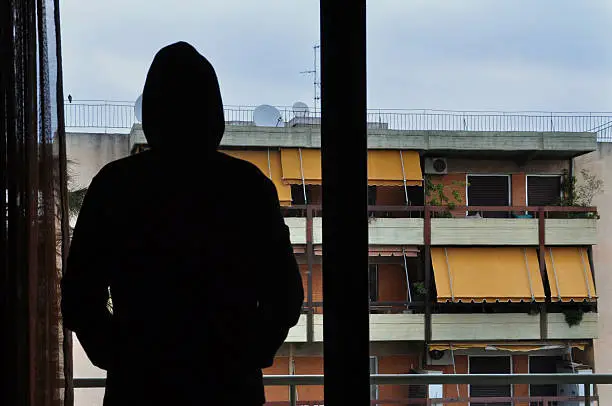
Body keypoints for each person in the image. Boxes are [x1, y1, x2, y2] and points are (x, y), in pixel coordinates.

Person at [61, 41, 304, 406]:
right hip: (230, 389)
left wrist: (122, 358)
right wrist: (246, 355)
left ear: (153, 112)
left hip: (140, 389)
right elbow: (285, 296)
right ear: (214, 112)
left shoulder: (116, 186)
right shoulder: (248, 187)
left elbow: (79, 298)